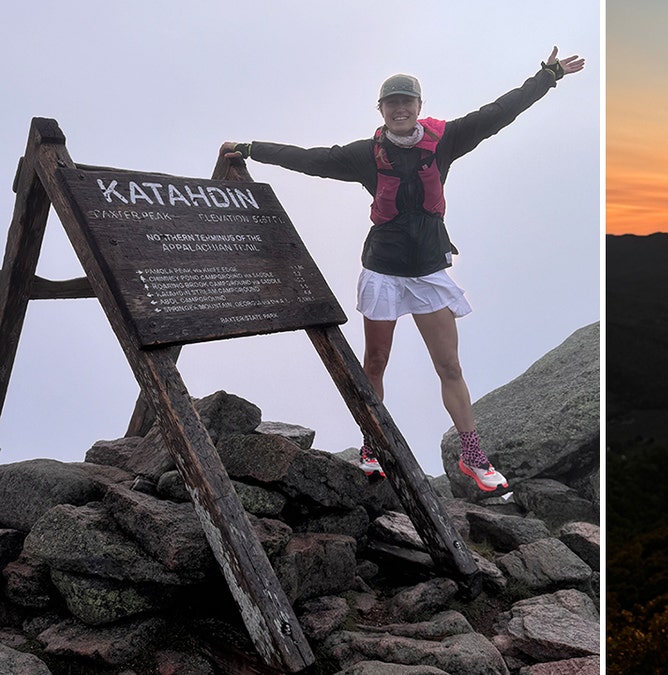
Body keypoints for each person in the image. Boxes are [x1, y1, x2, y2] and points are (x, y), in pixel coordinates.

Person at [221, 47, 584, 492]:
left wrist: (547, 76)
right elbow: (309, 159)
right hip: (384, 272)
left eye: (406, 102)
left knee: (449, 366)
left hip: (429, 273)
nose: (399, 109)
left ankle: (473, 458)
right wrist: (251, 149)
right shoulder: (363, 156)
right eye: (391, 103)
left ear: (418, 107)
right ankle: (372, 446)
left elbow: (500, 112)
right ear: (381, 110)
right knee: (375, 363)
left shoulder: (447, 139)